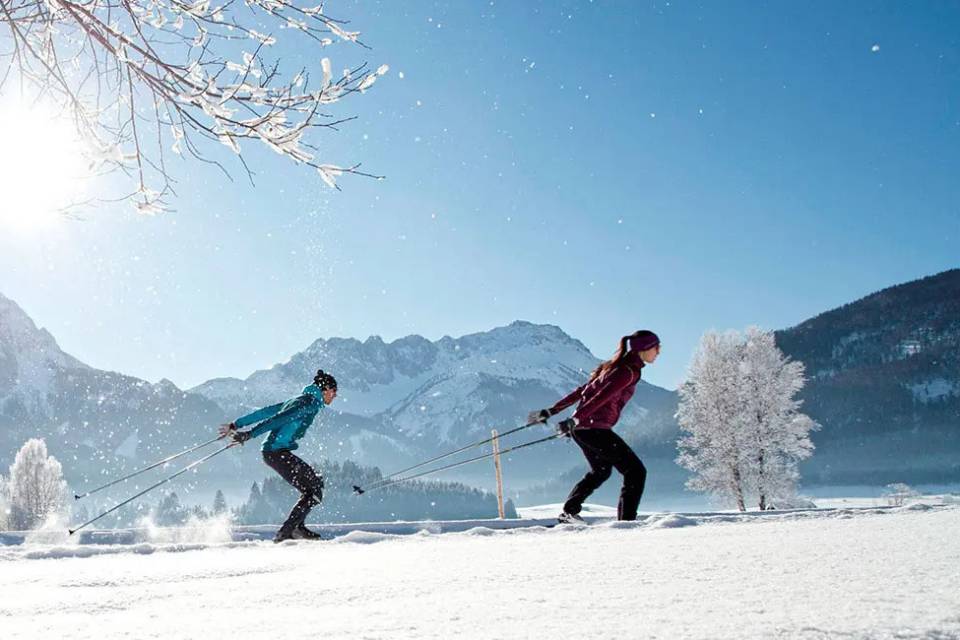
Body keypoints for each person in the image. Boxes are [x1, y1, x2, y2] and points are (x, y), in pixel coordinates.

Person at [529, 330, 660, 524]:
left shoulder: (614, 368)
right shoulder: (627, 371)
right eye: (656, 347)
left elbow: (583, 391)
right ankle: (626, 523)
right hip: (593, 428)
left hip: (583, 429)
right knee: (635, 472)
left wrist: (552, 411)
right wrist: (576, 419)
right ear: (644, 349)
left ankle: (569, 512)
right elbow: (601, 397)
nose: (658, 352)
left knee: (601, 471)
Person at [219, 369, 338, 542]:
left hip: (275, 452)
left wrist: (236, 424)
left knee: (313, 486)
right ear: (325, 389)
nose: (334, 396)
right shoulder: (308, 403)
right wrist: (249, 434)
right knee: (314, 489)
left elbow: (266, 412)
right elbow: (278, 419)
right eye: (334, 392)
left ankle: (296, 527)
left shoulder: (300, 400)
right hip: (275, 453)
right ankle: (288, 532)